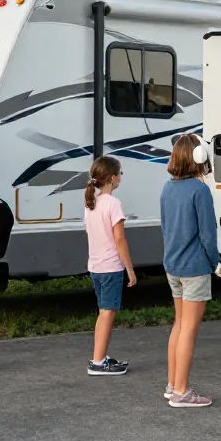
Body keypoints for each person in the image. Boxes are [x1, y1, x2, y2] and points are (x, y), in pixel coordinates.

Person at [160, 133, 221, 408]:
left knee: (179, 325)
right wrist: (216, 264)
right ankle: (182, 392)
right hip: (195, 268)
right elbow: (208, 236)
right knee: (189, 329)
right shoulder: (200, 191)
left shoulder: (167, 188)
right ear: (200, 158)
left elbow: (167, 228)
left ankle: (172, 384)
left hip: (172, 266)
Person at [84, 155, 136, 376]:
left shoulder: (91, 203)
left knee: (102, 312)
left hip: (95, 265)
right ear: (113, 178)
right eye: (120, 174)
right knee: (107, 313)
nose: (120, 177)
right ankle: (98, 362)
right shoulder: (114, 204)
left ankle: (100, 356)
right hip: (111, 267)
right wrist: (130, 270)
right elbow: (119, 240)